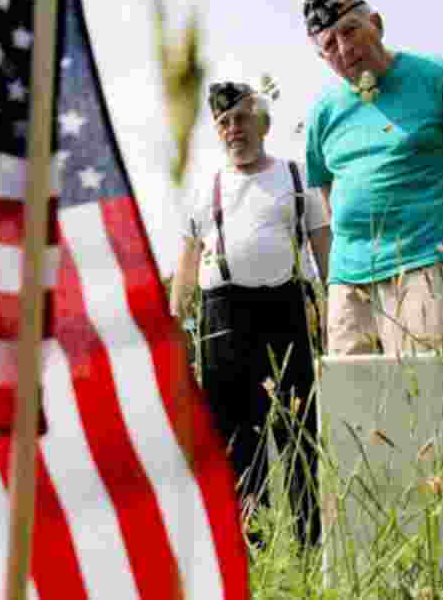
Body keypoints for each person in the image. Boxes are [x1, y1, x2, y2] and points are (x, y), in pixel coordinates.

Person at [303, 0, 443, 355]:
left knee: (436, 402)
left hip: (431, 267)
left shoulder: (438, 77)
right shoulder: (324, 111)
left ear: (377, 23)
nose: (344, 48)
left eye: (350, 31)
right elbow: (326, 191)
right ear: (323, 58)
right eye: (329, 45)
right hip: (349, 285)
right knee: (355, 407)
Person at [171, 81, 331, 546]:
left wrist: (338, 309)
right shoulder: (205, 190)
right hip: (223, 322)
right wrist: (175, 325)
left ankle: (310, 546)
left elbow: (327, 258)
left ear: (261, 122)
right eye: (223, 123)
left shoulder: (297, 178)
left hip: (286, 311)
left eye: (241, 119)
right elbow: (185, 268)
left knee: (299, 434)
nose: (233, 129)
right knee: (236, 441)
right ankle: (249, 552)